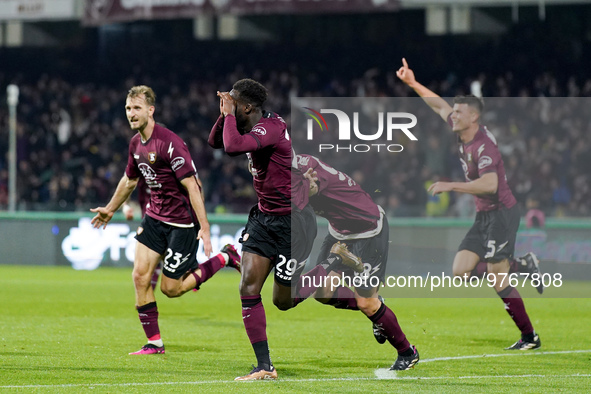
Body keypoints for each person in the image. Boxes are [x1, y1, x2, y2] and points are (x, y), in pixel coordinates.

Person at [209, 79, 361, 381]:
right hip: (264, 218)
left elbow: (231, 147)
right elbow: (216, 141)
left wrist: (228, 116)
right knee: (247, 287)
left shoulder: (271, 128)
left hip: (294, 223)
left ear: (249, 107)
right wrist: (224, 112)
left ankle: (335, 261)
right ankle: (264, 366)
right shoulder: (251, 124)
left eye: (235, 102)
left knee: (283, 301)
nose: (230, 106)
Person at [396, 59, 542, 350]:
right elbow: (438, 106)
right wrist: (412, 83)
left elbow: (491, 185)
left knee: (498, 280)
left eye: (459, 112)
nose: (453, 115)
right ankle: (521, 265)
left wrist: (451, 185)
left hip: (502, 213)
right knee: (461, 270)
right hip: (484, 215)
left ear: (473, 117)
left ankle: (529, 337)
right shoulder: (464, 130)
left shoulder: (483, 146)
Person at [90, 85, 240, 355]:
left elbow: (193, 186)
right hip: (154, 219)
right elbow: (130, 179)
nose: (131, 114)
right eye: (127, 108)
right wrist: (111, 209)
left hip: (181, 224)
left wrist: (204, 227)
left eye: (136, 108)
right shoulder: (135, 143)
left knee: (171, 289)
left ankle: (225, 258)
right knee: (139, 277)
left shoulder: (169, 142)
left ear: (150, 110)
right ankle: (154, 343)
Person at [295, 154, 420, 370]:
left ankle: (407, 352)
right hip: (340, 232)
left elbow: (312, 188)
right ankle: (379, 310)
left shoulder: (303, 168)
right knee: (322, 292)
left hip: (368, 229)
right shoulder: (288, 170)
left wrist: (295, 190)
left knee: (366, 303)